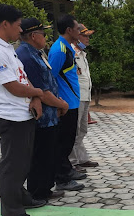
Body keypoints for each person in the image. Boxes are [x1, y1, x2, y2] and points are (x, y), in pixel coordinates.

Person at [0, 5, 45, 216]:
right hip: (10, 116)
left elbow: (22, 77)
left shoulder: (7, 48)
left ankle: (21, 198)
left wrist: (35, 98)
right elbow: (12, 86)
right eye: (18, 25)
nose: (20, 30)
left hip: (22, 113)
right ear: (5, 24)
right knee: (12, 166)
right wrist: (38, 93)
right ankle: (11, 212)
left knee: (22, 163)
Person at [16, 18, 69, 203]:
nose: (45, 37)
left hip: (50, 115)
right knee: (40, 156)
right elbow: (41, 92)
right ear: (33, 35)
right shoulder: (26, 56)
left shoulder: (35, 53)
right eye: (43, 34)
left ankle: (45, 189)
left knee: (49, 154)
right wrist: (61, 105)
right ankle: (37, 192)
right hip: (41, 117)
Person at [48, 14, 85, 191]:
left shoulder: (67, 48)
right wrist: (57, 103)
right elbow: (50, 78)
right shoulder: (58, 50)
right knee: (62, 142)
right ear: (69, 30)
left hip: (73, 102)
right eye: (78, 28)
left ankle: (67, 170)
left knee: (69, 140)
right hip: (64, 104)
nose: (80, 31)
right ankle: (61, 179)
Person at [69, 24, 98, 169]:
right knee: (74, 130)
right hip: (76, 97)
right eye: (84, 36)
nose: (87, 39)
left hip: (85, 95)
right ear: (76, 36)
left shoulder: (82, 54)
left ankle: (81, 158)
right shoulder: (71, 53)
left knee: (82, 129)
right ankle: (72, 162)